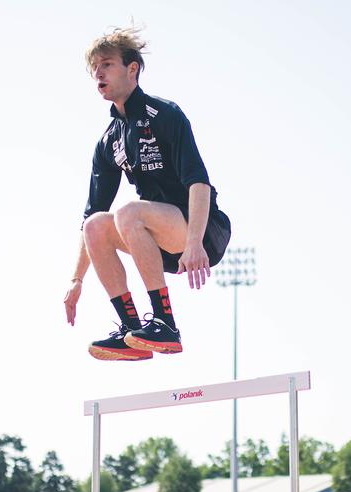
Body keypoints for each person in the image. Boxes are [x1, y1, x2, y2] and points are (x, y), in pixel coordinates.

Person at [63, 26, 231, 360]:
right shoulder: (109, 141)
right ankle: (132, 333)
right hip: (155, 240)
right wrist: (76, 281)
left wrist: (195, 242)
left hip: (201, 231)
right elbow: (89, 218)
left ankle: (165, 324)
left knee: (128, 211)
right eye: (94, 67)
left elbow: (198, 181)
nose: (98, 72)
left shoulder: (165, 114)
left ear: (132, 69)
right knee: (95, 225)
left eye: (107, 63)